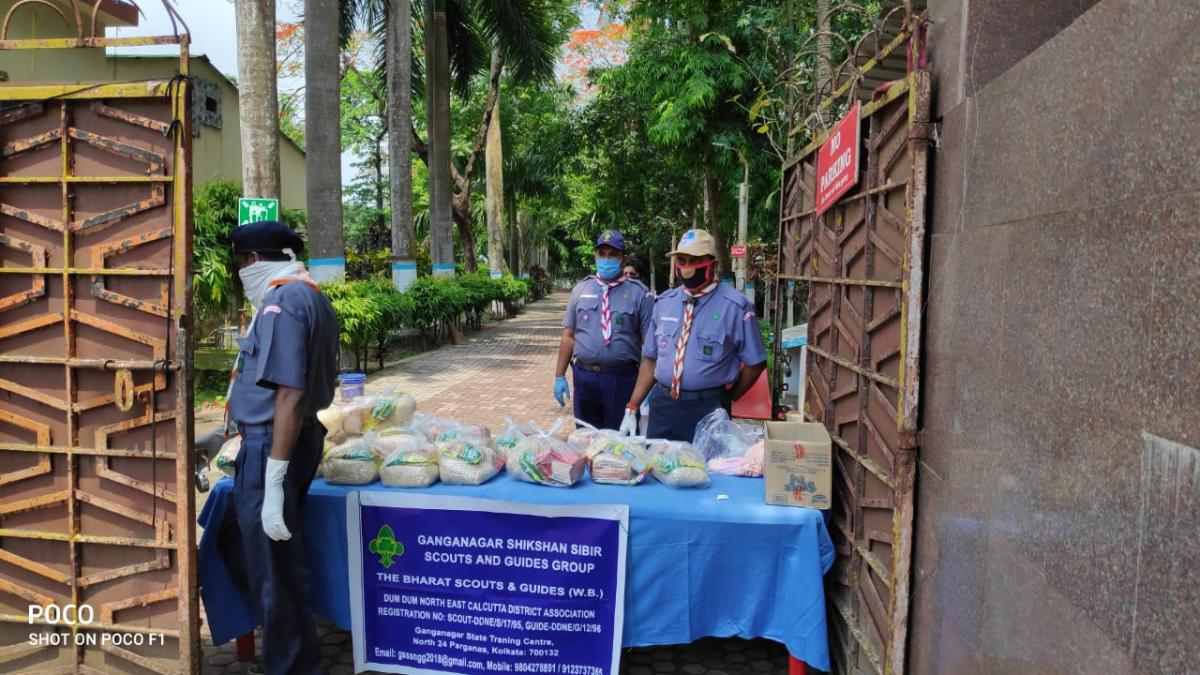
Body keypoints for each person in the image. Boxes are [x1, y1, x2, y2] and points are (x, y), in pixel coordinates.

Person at [219, 220, 339, 674]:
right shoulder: (308, 295)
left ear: (252, 261)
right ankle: (290, 655)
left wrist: (273, 479)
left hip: (275, 446)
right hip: (283, 438)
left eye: (239, 264)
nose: (239, 273)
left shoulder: (283, 302)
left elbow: (289, 393)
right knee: (254, 551)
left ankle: (290, 666)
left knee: (275, 571)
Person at [620, 229, 767, 441]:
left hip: (709, 409)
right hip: (664, 407)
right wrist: (632, 406)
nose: (687, 268)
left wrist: (729, 396)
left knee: (707, 463)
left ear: (713, 264)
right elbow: (651, 360)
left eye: (695, 261)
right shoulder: (664, 303)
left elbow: (756, 363)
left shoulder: (736, 307)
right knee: (658, 461)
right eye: (682, 260)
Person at [555, 229, 654, 430]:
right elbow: (569, 336)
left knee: (620, 442)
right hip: (585, 378)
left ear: (623, 258)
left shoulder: (639, 294)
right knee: (586, 438)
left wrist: (650, 386)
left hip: (622, 379)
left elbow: (650, 347)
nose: (606, 259)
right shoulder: (581, 289)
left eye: (613, 254)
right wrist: (559, 375)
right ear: (595, 255)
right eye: (602, 254)